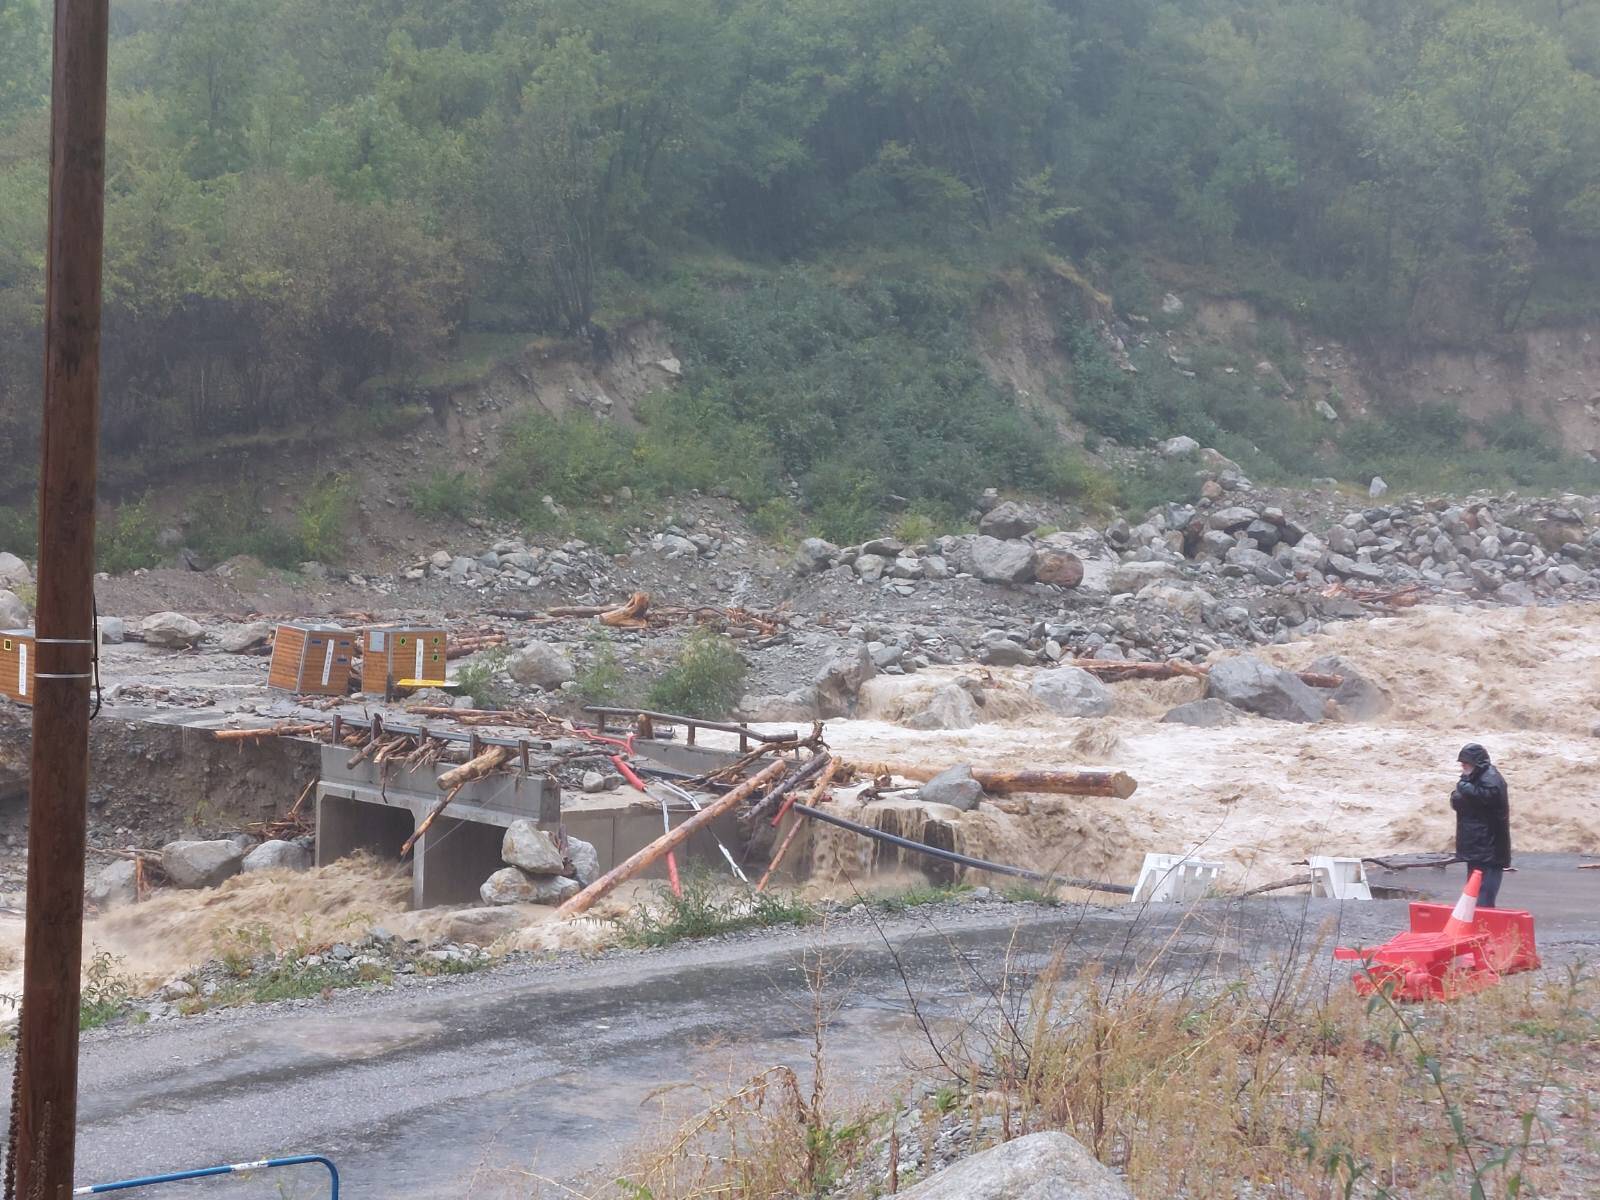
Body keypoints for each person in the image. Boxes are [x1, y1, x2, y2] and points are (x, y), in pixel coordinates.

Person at [1451, 743, 1510, 907]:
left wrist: (1462, 787)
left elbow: (1485, 797)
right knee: (1473, 894)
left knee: (1483, 897)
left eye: (1465, 762)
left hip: (1489, 850)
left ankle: (1484, 926)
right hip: (1477, 848)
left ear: (1476, 763)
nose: (1462, 766)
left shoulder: (1491, 779)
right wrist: (1461, 791)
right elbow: (1458, 801)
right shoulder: (1474, 777)